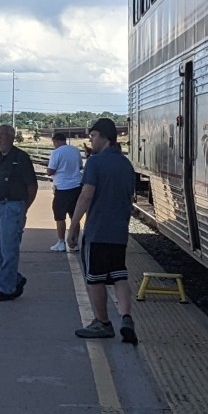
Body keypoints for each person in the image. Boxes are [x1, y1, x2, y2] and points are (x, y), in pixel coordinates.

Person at [67, 117, 138, 344]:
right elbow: (129, 199)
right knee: (119, 275)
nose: (91, 140)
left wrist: (74, 225)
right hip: (119, 231)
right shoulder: (127, 165)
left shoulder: (95, 163)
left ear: (105, 137)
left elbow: (86, 195)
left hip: (98, 231)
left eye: (94, 136)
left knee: (95, 278)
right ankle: (126, 317)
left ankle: (103, 323)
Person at [0, 124, 38, 301]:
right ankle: (15, 278)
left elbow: (32, 186)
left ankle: (6, 289)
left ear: (12, 138)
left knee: (9, 250)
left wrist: (24, 209)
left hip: (12, 207)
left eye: (3, 135)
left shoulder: (21, 158)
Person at [46, 129, 84, 252]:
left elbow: (51, 170)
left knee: (60, 216)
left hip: (62, 188)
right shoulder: (75, 150)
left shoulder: (56, 152)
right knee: (75, 216)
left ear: (56, 141)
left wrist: (49, 171)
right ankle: (74, 243)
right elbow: (79, 166)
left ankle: (61, 242)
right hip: (76, 187)